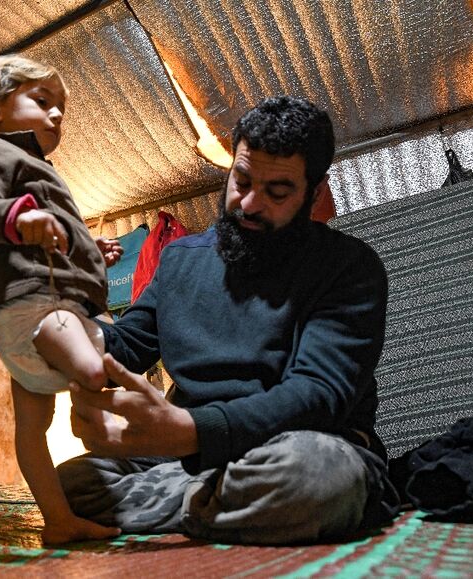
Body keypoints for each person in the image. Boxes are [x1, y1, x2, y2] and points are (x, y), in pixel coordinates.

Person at [59, 96, 400, 545]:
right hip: (186, 455)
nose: (250, 204)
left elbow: (317, 394)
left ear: (315, 193)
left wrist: (192, 433)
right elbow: (126, 345)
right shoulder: (180, 260)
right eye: (242, 181)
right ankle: (216, 501)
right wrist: (65, 322)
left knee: (316, 476)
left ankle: (195, 500)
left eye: (277, 192)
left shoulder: (348, 267)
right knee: (68, 485)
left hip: (299, 444)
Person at [0, 54, 123, 544]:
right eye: (43, 101)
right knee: (96, 372)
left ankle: (59, 521)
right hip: (38, 306)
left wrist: (90, 250)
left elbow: (52, 238)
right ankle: (109, 439)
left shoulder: (39, 167)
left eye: (60, 107)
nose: (57, 114)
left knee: (32, 427)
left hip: (36, 308)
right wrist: (18, 219)